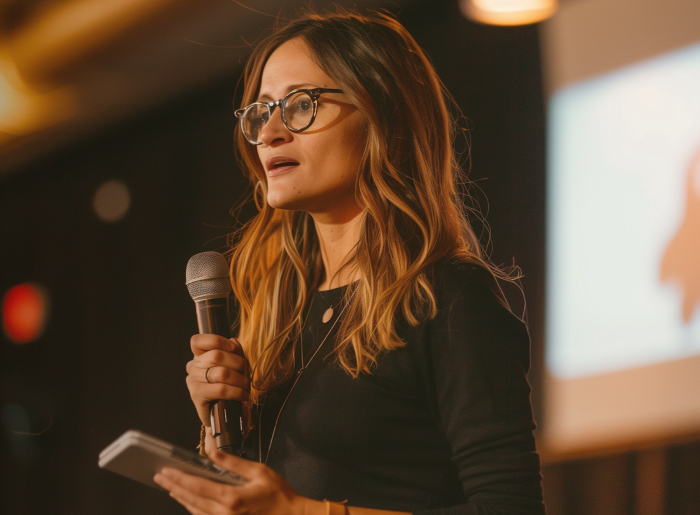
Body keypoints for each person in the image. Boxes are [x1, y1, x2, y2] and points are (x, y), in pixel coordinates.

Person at [154, 9, 545, 515]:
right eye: (261, 111)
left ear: (382, 112)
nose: (270, 131)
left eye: (299, 105)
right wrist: (220, 430)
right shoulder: (281, 311)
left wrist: (299, 512)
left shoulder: (448, 296)